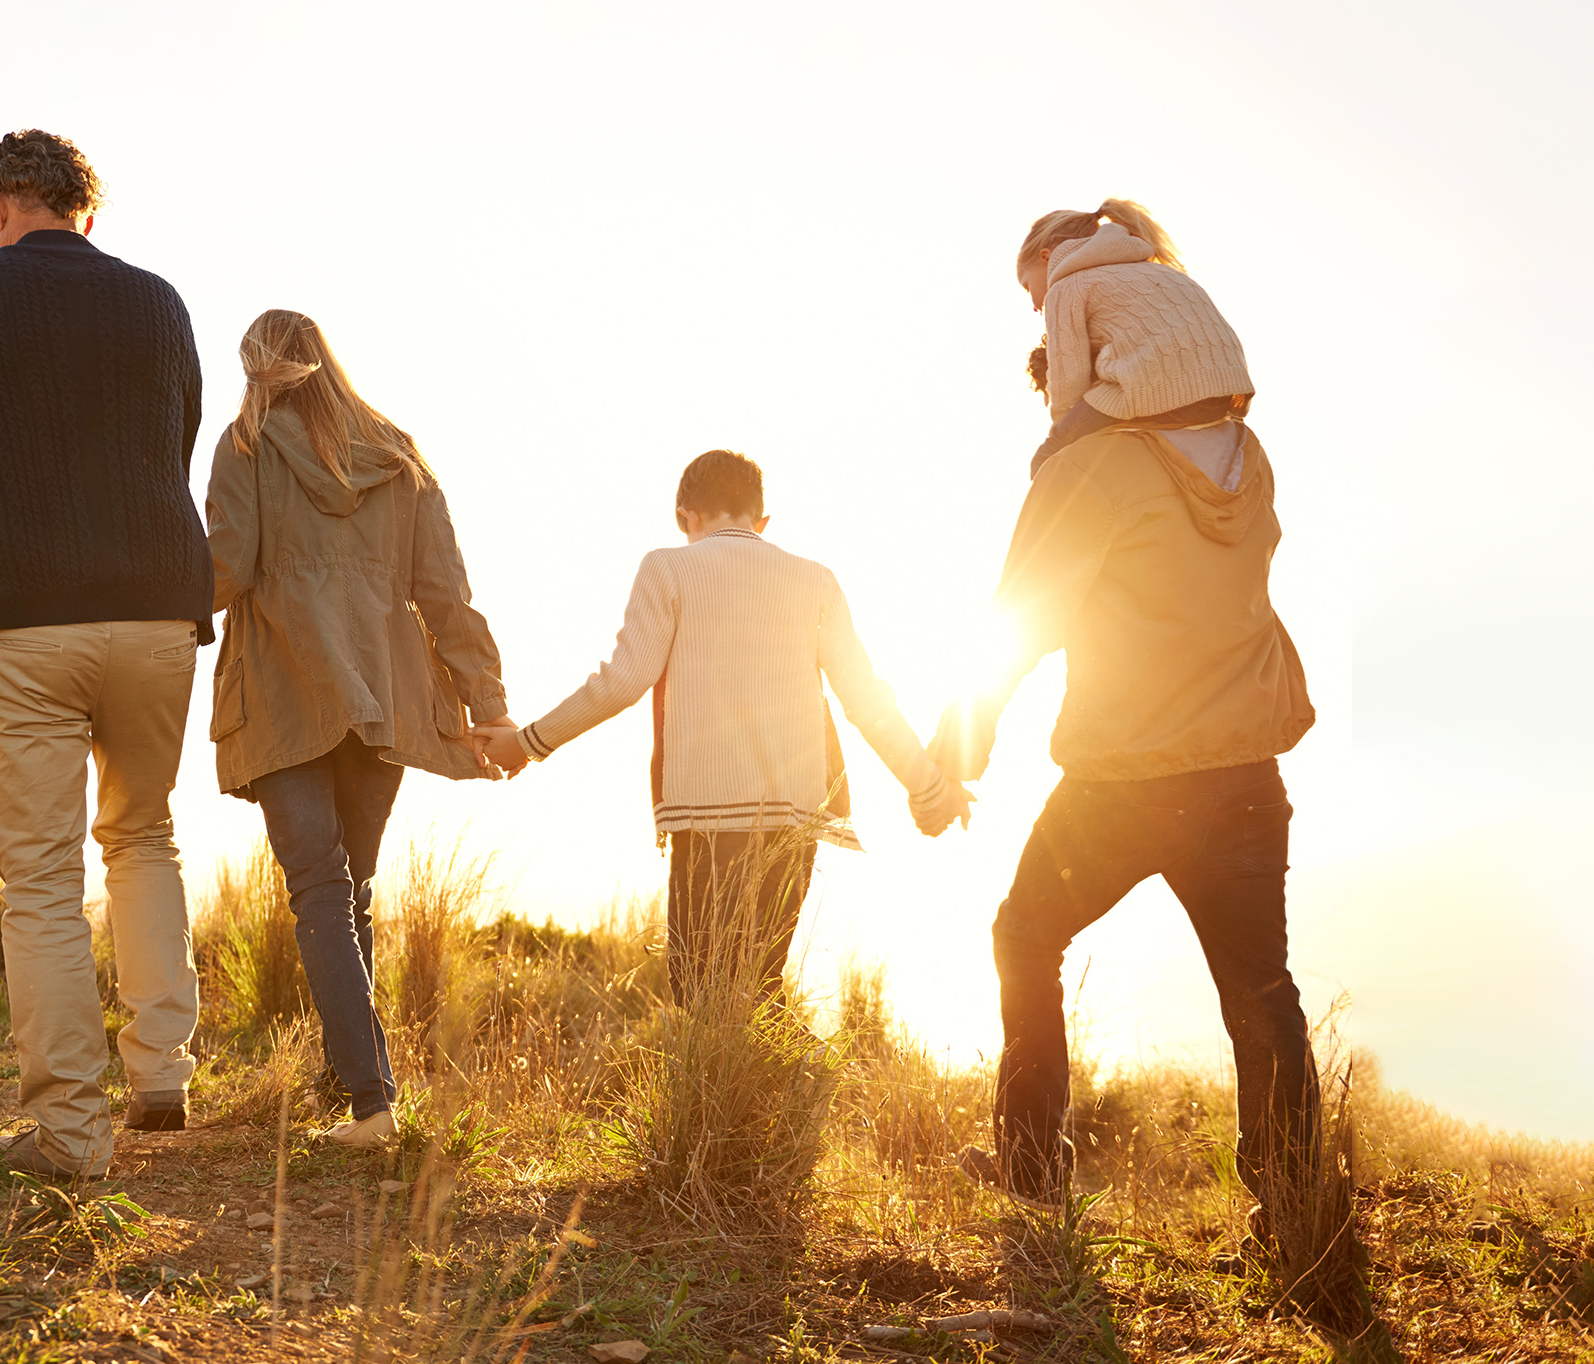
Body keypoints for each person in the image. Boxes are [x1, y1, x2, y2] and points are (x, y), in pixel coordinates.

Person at [932, 200, 1317, 1217]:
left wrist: (954, 754)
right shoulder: (1247, 455)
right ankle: (1294, 1217)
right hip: (1242, 774)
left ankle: (1029, 1177)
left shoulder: (1087, 467)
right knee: (1260, 995)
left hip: (1126, 779)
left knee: (1023, 937)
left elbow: (1016, 620)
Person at [0, 131, 210, 1181]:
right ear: (87, 210)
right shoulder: (158, 302)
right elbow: (172, 450)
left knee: (38, 877)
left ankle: (72, 1134)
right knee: (144, 833)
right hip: (159, 610)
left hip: (21, 620)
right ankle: (161, 1068)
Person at [476, 451, 972, 1004]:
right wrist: (930, 788)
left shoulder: (668, 568)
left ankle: (734, 1093)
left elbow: (623, 682)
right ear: (762, 521)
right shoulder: (817, 581)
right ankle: (776, 1092)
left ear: (686, 516)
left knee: (700, 993)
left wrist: (526, 743)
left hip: (707, 819)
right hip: (795, 819)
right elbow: (867, 701)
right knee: (759, 989)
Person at [204, 310, 511, 1147]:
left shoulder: (246, 447)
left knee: (320, 891)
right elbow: (446, 596)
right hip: (383, 695)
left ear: (258, 368)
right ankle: (348, 1083)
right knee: (349, 894)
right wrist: (489, 707)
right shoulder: (400, 454)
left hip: (287, 693)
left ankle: (373, 1103)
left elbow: (223, 572)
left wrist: (139, 610)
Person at [1018, 198, 1256, 477]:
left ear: (1047, 257)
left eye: (1026, 286)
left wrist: (1062, 434)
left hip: (1161, 392)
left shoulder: (1067, 285)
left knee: (1047, 461)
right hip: (1230, 394)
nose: (1034, 305)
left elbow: (1067, 379)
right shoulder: (1158, 270)